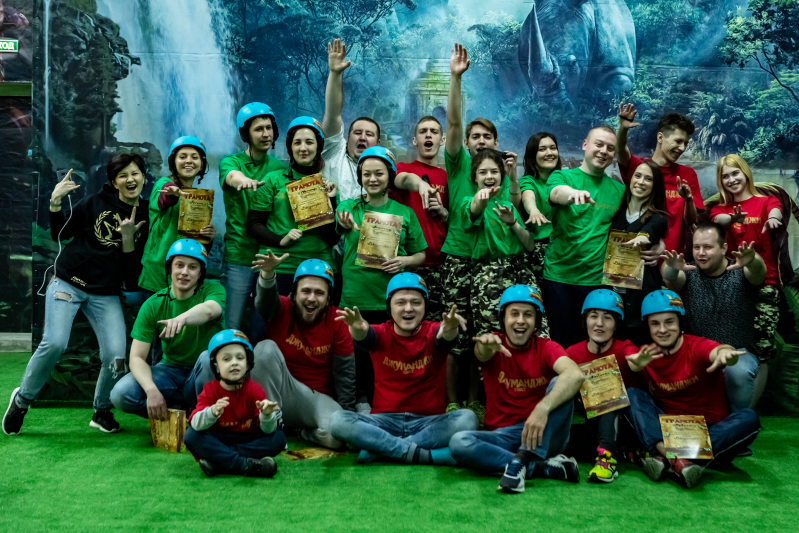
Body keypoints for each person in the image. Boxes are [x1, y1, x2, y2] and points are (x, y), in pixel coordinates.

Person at [3, 156, 148, 435]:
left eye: (135, 173)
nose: (130, 179)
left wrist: (128, 238)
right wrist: (55, 202)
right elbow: (60, 233)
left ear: (143, 176)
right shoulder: (94, 203)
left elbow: (132, 272)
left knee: (116, 355)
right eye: (123, 175)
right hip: (68, 282)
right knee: (55, 342)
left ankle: (101, 411)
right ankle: (21, 401)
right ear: (114, 181)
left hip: (105, 293)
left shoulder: (145, 214)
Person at [194, 255, 354, 449]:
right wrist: (268, 274)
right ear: (294, 293)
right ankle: (269, 427)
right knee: (265, 349)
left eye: (319, 293)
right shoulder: (283, 308)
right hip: (269, 394)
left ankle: (299, 431)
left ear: (329, 298)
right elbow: (265, 302)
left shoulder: (338, 321)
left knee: (337, 435)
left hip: (309, 399)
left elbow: (344, 373)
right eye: (306, 291)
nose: (312, 298)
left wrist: (348, 413)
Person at [440, 42, 520, 415]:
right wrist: (456, 78)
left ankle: (478, 402)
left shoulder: (501, 177)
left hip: (490, 266)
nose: (481, 142)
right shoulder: (458, 166)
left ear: (496, 143)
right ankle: (452, 403)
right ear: (466, 143)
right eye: (475, 137)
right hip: (458, 259)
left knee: (483, 336)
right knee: (455, 335)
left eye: (487, 137)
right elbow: (454, 122)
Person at [448, 286, 585, 494]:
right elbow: (482, 353)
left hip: (543, 434)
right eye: (514, 314)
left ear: (536, 322)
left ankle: (520, 461)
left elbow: (575, 375)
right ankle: (537, 466)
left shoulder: (546, 347)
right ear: (503, 319)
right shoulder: (494, 344)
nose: (520, 320)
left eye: (528, 315)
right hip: (503, 437)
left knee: (562, 381)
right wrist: (485, 346)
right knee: (459, 442)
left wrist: (542, 409)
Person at [330, 273, 477, 465]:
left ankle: (381, 449)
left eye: (416, 302)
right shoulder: (381, 332)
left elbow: (445, 337)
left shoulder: (433, 330)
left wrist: (450, 328)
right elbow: (364, 334)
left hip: (428, 423)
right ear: (389, 307)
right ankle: (423, 455)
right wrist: (357, 327)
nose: (408, 308)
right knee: (337, 420)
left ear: (425, 307)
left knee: (468, 418)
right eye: (400, 302)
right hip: (383, 422)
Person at [626, 290, 761, 489]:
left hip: (709, 435)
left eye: (669, 322)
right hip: (668, 431)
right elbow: (632, 372)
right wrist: (636, 367)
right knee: (632, 394)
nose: (662, 330)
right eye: (655, 324)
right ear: (647, 326)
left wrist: (725, 354)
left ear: (681, 323)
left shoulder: (697, 346)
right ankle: (678, 461)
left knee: (749, 418)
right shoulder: (645, 355)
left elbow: (717, 350)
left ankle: (664, 457)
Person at [335, 147, 427, 410]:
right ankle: (358, 406)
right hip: (354, 298)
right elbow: (340, 222)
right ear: (360, 177)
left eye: (379, 173)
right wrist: (344, 222)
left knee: (386, 359)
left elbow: (421, 255)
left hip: (389, 301)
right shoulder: (349, 206)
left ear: (389, 176)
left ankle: (387, 406)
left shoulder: (404, 212)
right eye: (367, 174)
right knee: (356, 361)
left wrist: (403, 261)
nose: (372, 179)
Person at [110, 239, 225, 419]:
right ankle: (180, 411)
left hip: (204, 372)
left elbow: (210, 310)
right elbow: (137, 357)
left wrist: (181, 319)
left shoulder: (212, 289)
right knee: (120, 394)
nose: (184, 272)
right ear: (170, 268)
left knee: (207, 358)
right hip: (169, 371)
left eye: (192, 267)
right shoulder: (153, 304)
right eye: (179, 265)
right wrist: (151, 390)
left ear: (200, 273)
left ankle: (205, 414)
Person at [661, 222, 765, 412]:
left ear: (723, 248)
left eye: (708, 247)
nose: (701, 253)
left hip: (736, 352)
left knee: (737, 371)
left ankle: (738, 422)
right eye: (696, 247)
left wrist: (753, 260)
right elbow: (671, 278)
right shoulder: (689, 272)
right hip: (696, 354)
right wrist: (671, 267)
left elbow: (758, 272)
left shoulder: (739, 271)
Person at [709, 154, 784, 404]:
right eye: (725, 176)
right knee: (727, 346)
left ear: (745, 173)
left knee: (762, 351)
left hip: (766, 285)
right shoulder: (720, 208)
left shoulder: (766, 201)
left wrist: (773, 218)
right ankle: (725, 406)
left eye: (735, 173)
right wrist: (732, 219)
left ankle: (748, 413)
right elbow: (718, 220)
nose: (731, 179)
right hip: (733, 287)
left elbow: (776, 210)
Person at [543, 126, 624, 349]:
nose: (604, 151)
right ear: (585, 144)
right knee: (561, 346)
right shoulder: (562, 176)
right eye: (599, 144)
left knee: (596, 348)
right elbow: (556, 193)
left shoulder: (619, 191)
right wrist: (573, 194)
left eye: (610, 148)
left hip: (597, 281)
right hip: (560, 277)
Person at [247, 116, 339, 297]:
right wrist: (281, 240)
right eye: (297, 142)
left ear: (318, 146)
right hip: (277, 265)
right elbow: (253, 224)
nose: (303, 148)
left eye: (309, 142)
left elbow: (331, 238)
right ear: (290, 147)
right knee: (267, 316)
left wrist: (331, 201)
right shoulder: (273, 179)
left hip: (318, 268)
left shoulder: (327, 185)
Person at [463, 148, 545, 354]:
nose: (489, 177)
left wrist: (513, 223)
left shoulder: (509, 205)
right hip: (488, 276)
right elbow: (474, 208)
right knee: (492, 339)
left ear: (502, 175)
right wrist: (481, 198)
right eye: (483, 172)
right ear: (474, 177)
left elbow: (529, 245)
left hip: (520, 273)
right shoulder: (468, 202)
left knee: (535, 334)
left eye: (494, 172)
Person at [219, 103, 287, 332]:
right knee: (230, 323)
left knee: (263, 326)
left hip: (267, 256)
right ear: (245, 134)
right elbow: (232, 176)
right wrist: (244, 181)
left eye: (269, 128)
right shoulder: (232, 162)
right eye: (258, 129)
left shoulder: (279, 168)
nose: (266, 134)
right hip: (239, 256)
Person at [185, 330, 285, 478]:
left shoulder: (255, 389)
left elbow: (268, 430)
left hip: (247, 437)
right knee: (191, 435)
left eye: (240, 358)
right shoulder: (210, 390)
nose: (234, 363)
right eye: (226, 359)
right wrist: (211, 412)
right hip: (218, 438)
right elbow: (196, 424)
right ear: (216, 366)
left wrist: (266, 415)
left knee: (278, 438)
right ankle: (243, 464)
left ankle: (220, 461)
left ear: (248, 362)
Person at [565, 289, 641, 483]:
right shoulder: (572, 353)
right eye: (593, 316)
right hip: (591, 425)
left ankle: (607, 458)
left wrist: (637, 362)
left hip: (624, 423)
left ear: (616, 325)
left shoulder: (625, 347)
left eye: (607, 318)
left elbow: (634, 358)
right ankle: (620, 452)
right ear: (585, 321)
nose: (599, 323)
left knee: (609, 390)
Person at [616, 103, 703, 257]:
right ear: (661, 137)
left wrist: (688, 199)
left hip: (670, 258)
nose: (682, 148)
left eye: (685, 143)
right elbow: (621, 150)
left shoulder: (688, 175)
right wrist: (623, 129)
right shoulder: (639, 168)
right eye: (678, 141)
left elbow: (690, 221)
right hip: (634, 256)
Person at [138, 136, 216, 296]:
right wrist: (172, 194)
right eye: (183, 156)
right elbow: (164, 198)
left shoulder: (198, 198)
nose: (189, 161)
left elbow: (198, 244)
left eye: (194, 157)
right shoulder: (162, 184)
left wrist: (207, 236)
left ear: (202, 164)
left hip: (184, 278)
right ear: (173, 162)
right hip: (158, 275)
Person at [391, 115, 449, 319]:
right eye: (423, 131)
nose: (428, 135)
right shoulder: (404, 168)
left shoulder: (447, 177)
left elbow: (455, 220)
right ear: (415, 140)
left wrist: (443, 213)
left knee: (436, 324)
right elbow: (401, 179)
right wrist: (421, 184)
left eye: (434, 132)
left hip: (441, 263)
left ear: (442, 139)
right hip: (408, 262)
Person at [610, 160, 669, 345]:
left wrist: (643, 237)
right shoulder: (616, 210)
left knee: (642, 345)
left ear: (655, 185)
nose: (641, 182)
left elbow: (652, 229)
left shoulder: (658, 216)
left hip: (642, 294)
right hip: (614, 291)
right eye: (638, 176)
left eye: (648, 179)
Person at [518, 132, 561, 277]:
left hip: (562, 247)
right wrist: (533, 210)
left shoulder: (564, 180)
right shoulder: (528, 181)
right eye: (542, 149)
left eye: (553, 148)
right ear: (532, 155)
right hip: (538, 250)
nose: (549, 153)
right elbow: (527, 196)